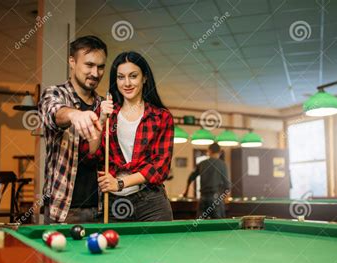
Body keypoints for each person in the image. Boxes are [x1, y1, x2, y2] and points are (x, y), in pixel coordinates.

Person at [90, 51, 174, 221]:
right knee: (115, 247)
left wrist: (120, 183)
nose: (127, 83)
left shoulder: (161, 117)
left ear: (144, 78)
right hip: (114, 201)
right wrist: (100, 119)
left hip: (151, 202)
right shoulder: (107, 113)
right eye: (121, 77)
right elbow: (92, 152)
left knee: (158, 249)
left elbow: (160, 167)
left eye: (133, 76)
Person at [38, 35, 107, 224]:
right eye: (89, 65)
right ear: (72, 62)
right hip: (63, 209)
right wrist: (74, 115)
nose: (95, 73)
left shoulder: (103, 105)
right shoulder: (55, 93)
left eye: (100, 67)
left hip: (101, 208)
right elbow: (54, 113)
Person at [183, 143, 231, 219]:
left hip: (203, 198)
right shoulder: (222, 164)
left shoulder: (202, 164)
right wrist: (223, 198)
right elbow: (227, 185)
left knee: (199, 225)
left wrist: (186, 192)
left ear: (209, 151)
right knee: (219, 225)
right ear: (219, 152)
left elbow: (190, 178)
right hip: (216, 199)